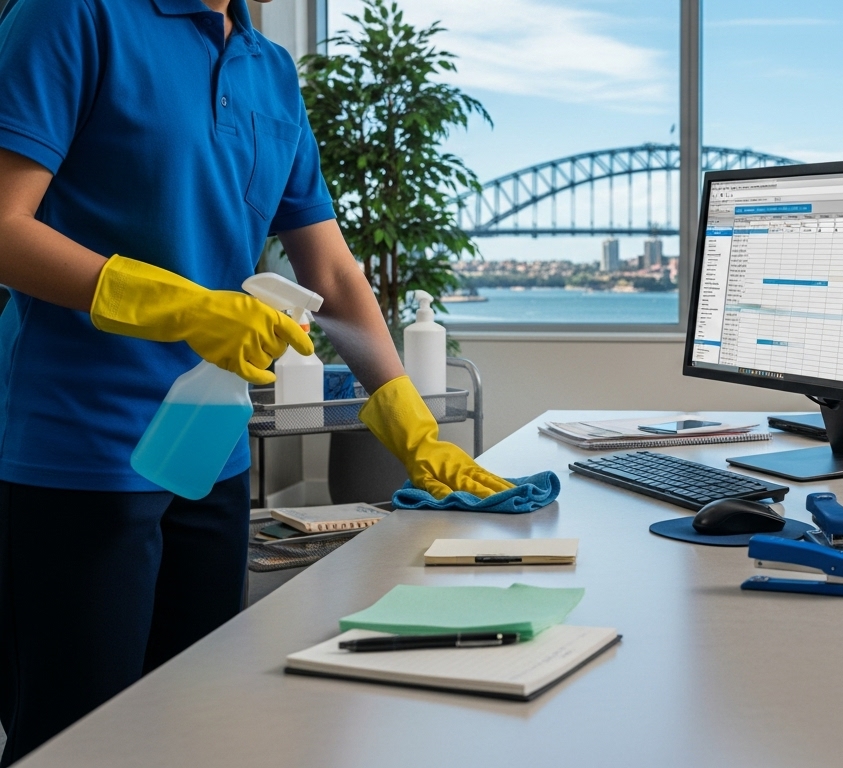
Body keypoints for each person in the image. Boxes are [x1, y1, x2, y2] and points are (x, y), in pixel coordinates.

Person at [0, 0, 512, 762]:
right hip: (78, 458)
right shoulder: (73, 14)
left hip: (211, 456)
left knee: (200, 735)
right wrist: (180, 306)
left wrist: (407, 417)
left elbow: (331, 271)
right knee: (76, 748)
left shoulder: (268, 70)